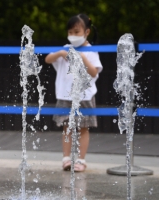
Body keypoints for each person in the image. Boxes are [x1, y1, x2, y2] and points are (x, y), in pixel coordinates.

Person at [45, 14, 103, 172]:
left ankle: (81, 160)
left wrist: (83, 59)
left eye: (76, 32)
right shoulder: (66, 48)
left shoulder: (91, 51)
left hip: (85, 96)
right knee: (67, 127)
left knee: (84, 128)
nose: (73, 35)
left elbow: (93, 72)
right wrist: (60, 54)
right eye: (70, 32)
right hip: (65, 95)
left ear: (87, 32)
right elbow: (48, 59)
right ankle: (66, 159)